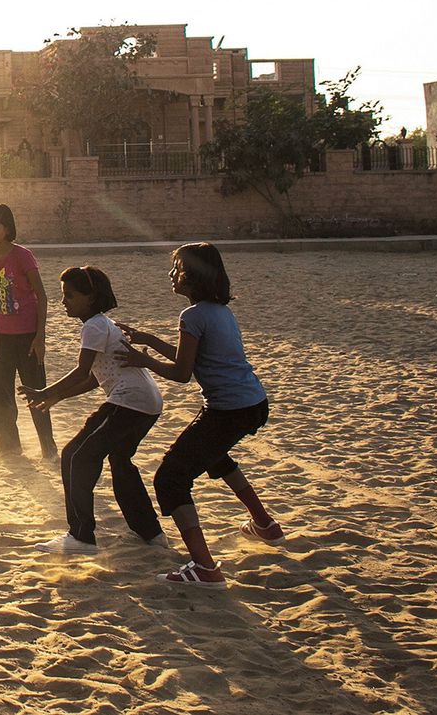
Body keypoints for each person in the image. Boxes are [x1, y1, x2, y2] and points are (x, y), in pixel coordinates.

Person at [117, 242, 285, 589]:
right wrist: (150, 340)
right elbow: (191, 359)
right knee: (214, 455)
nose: (171, 275)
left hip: (228, 410)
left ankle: (205, 568)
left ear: (193, 276)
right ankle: (264, 525)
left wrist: (143, 360)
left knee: (169, 479)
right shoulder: (218, 311)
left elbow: (181, 373)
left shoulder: (191, 316)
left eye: (177, 269)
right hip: (251, 403)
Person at [21, 266, 166, 554]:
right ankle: (150, 533)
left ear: (91, 297)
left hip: (129, 402)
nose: (64, 301)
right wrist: (57, 398)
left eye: (70, 295)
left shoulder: (94, 326)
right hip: (146, 403)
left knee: (75, 455)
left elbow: (81, 371)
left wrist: (45, 391)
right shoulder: (100, 324)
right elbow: (92, 380)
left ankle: (81, 537)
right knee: (120, 461)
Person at [0, 203, 58, 460]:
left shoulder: (22, 256)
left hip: (27, 337)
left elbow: (42, 296)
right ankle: (9, 448)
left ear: (7, 228)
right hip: (2, 339)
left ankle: (48, 447)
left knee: (36, 393)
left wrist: (40, 338)